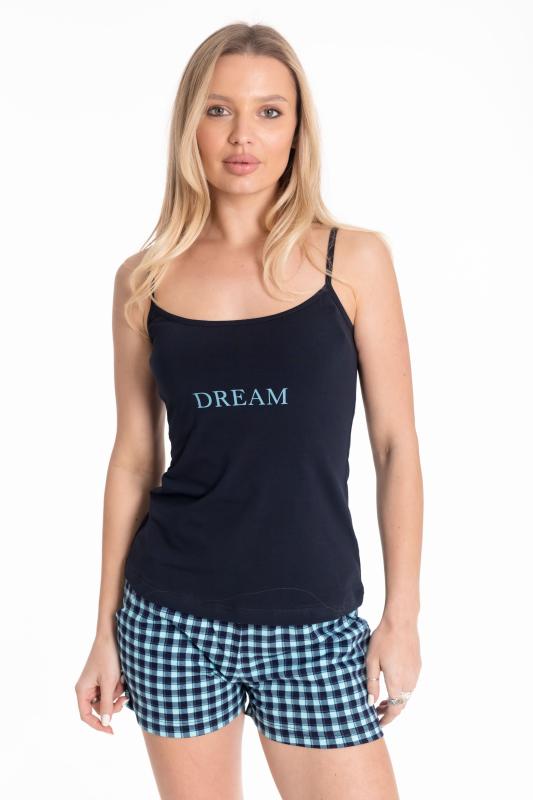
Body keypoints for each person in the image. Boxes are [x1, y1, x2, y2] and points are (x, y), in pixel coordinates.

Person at [75, 22, 422, 800]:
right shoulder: (143, 277)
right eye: (218, 109)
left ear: (296, 130)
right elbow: (134, 458)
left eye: (269, 112)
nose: (243, 136)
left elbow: (394, 445)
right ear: (188, 126)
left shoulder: (350, 260)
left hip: (313, 625)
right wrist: (102, 632)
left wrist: (401, 617)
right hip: (168, 620)